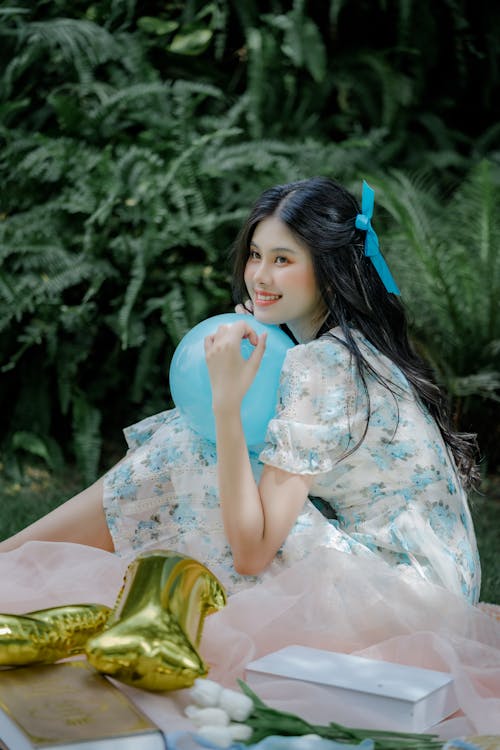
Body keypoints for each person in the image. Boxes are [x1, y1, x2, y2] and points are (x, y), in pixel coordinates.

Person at [0, 176, 481, 605]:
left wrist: (227, 406)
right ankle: (13, 559)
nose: (260, 276)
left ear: (329, 271)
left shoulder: (324, 363)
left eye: (282, 259)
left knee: (192, 446)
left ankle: (11, 561)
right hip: (434, 584)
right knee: (197, 440)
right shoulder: (352, 347)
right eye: (255, 255)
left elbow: (252, 553)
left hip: (396, 598)